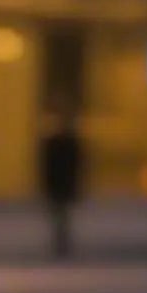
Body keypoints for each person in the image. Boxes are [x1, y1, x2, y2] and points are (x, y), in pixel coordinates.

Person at [38, 109, 85, 260]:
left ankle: (61, 240)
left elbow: (76, 165)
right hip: (61, 182)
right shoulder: (66, 142)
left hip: (61, 182)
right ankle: (61, 240)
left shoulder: (61, 142)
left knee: (60, 213)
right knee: (61, 213)